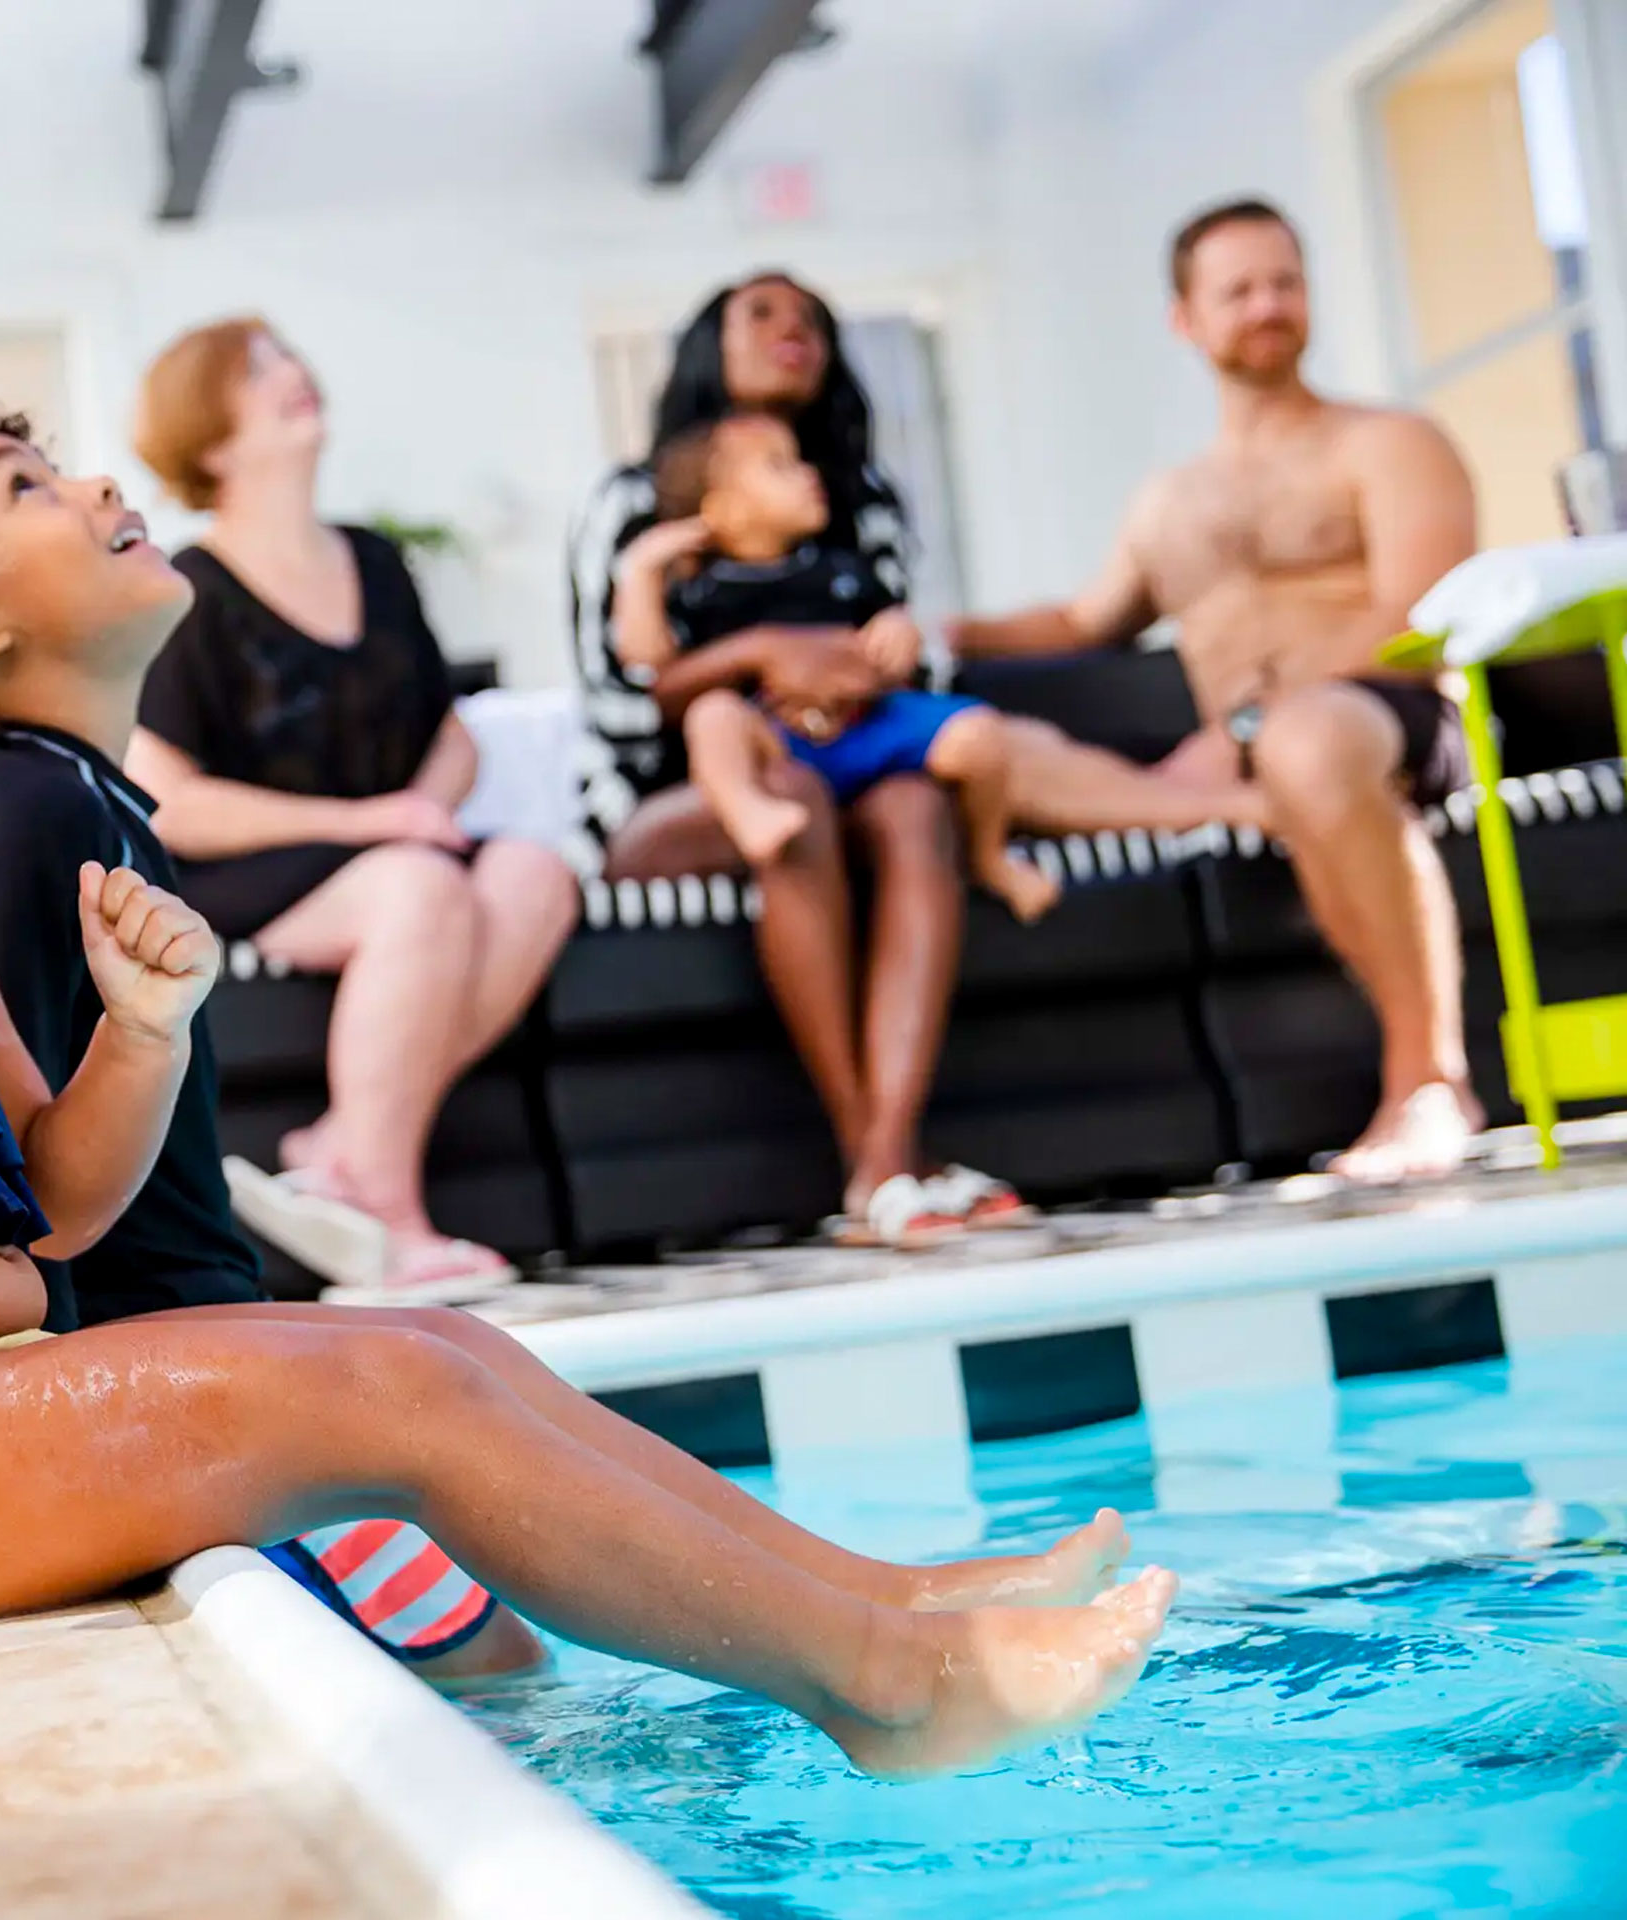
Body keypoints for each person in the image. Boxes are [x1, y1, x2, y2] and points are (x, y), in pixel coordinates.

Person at [0, 256, 1174, 1780]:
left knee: (452, 1354)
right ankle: (883, 1687)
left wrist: (142, 1032)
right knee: (399, 1395)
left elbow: (57, 1206)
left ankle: (889, 1602)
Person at [0, 408, 546, 1684]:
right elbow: (8, 1192)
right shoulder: (28, 823)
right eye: (26, 488)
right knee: (496, 1657)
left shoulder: (75, 798)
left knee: (474, 1435)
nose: (96, 485)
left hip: (205, 1357)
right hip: (177, 1396)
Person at [950, 199, 1482, 1183]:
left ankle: (1429, 1085)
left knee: (1301, 743)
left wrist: (1246, 727)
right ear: (1185, 319)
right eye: (1238, 291)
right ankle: (1251, 801)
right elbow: (1080, 622)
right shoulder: (1167, 501)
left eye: (1285, 282)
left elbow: (1419, 613)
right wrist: (946, 633)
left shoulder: (1387, 441)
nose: (1267, 305)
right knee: (989, 752)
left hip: (1381, 717)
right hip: (1247, 758)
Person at [124, 317, 579, 1298]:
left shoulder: (376, 561)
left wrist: (418, 806)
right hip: (253, 864)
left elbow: (452, 734)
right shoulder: (187, 590)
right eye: (256, 370)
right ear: (210, 439)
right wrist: (373, 825)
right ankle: (391, 1211)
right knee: (419, 887)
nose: (294, 370)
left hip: (392, 847)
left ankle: (344, 1144)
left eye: (287, 355)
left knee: (536, 873)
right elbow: (171, 805)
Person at [569, 274, 1007, 1246]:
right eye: (760, 315)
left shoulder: (861, 497)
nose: (791, 330)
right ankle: (881, 1159)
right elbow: (619, 698)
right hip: (694, 787)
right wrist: (761, 662)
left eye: (810, 318)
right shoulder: (634, 505)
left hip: (854, 756)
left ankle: (883, 1159)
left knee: (915, 805)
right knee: (793, 795)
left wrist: (849, 681)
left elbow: (915, 660)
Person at [651, 413, 1065, 924]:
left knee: (983, 735)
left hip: (868, 724)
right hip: (782, 739)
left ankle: (988, 856)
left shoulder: (841, 569)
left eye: (800, 460)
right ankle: (748, 812)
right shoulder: (703, 593)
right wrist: (641, 570)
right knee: (713, 716)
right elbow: (653, 659)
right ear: (724, 512)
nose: (808, 473)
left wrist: (898, 632)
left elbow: (888, 622)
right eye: (779, 466)